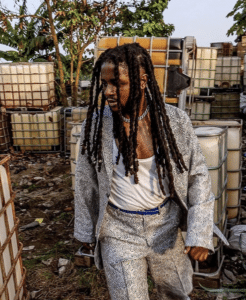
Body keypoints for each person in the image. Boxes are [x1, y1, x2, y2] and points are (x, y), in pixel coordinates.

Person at [74, 43, 228, 300]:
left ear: (142, 80)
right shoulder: (97, 125)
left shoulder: (175, 121)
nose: (108, 92)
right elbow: (85, 180)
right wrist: (85, 229)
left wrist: (199, 232)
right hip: (118, 229)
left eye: (117, 83)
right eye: (104, 84)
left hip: (164, 226)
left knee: (176, 293)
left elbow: (198, 177)